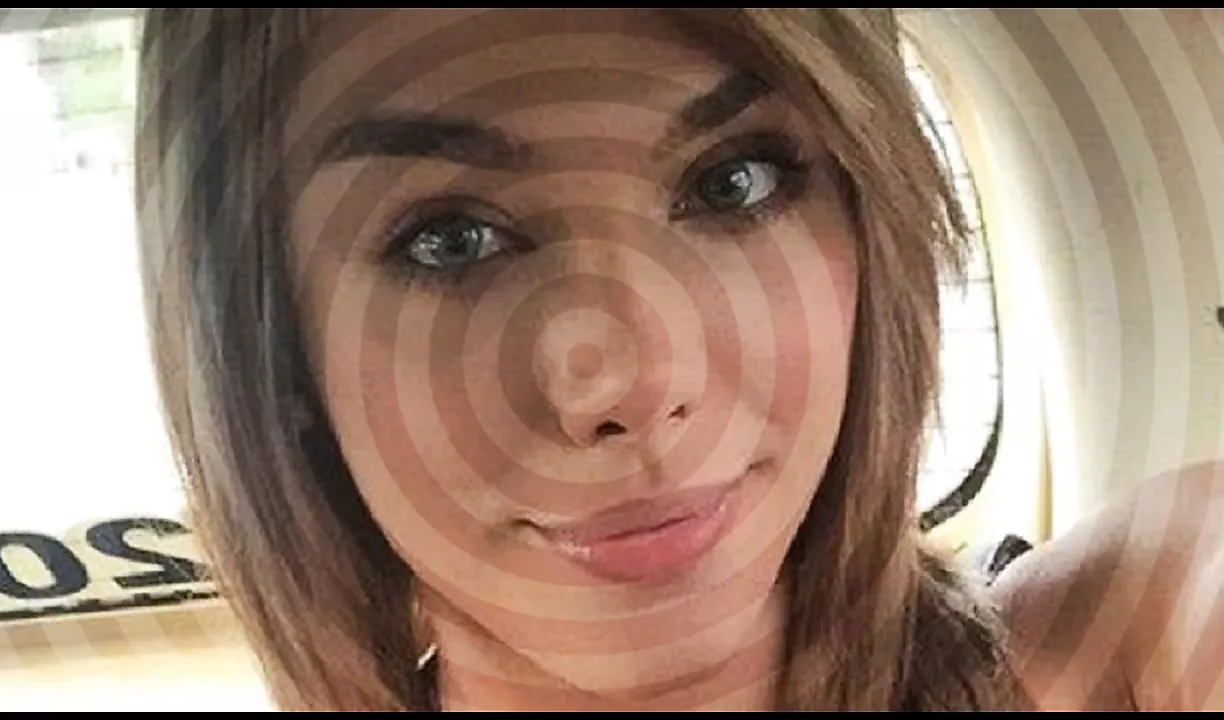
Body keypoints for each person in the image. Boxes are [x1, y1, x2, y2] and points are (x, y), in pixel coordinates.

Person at [134, 8, 1224, 711]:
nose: (636, 383)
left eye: (733, 182)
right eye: (451, 240)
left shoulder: (1129, 647)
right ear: (275, 354)